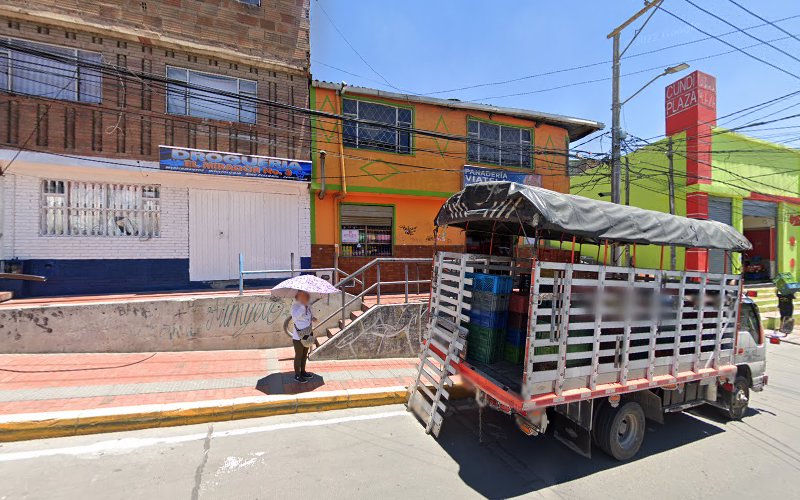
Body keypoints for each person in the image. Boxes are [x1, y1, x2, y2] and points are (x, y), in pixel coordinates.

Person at [291, 291, 316, 383]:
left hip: (307, 333)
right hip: (298, 336)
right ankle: (297, 375)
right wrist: (303, 306)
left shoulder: (308, 306)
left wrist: (313, 318)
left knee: (304, 355)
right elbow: (294, 318)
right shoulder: (295, 306)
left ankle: (303, 372)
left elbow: (309, 317)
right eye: (304, 295)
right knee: (299, 355)